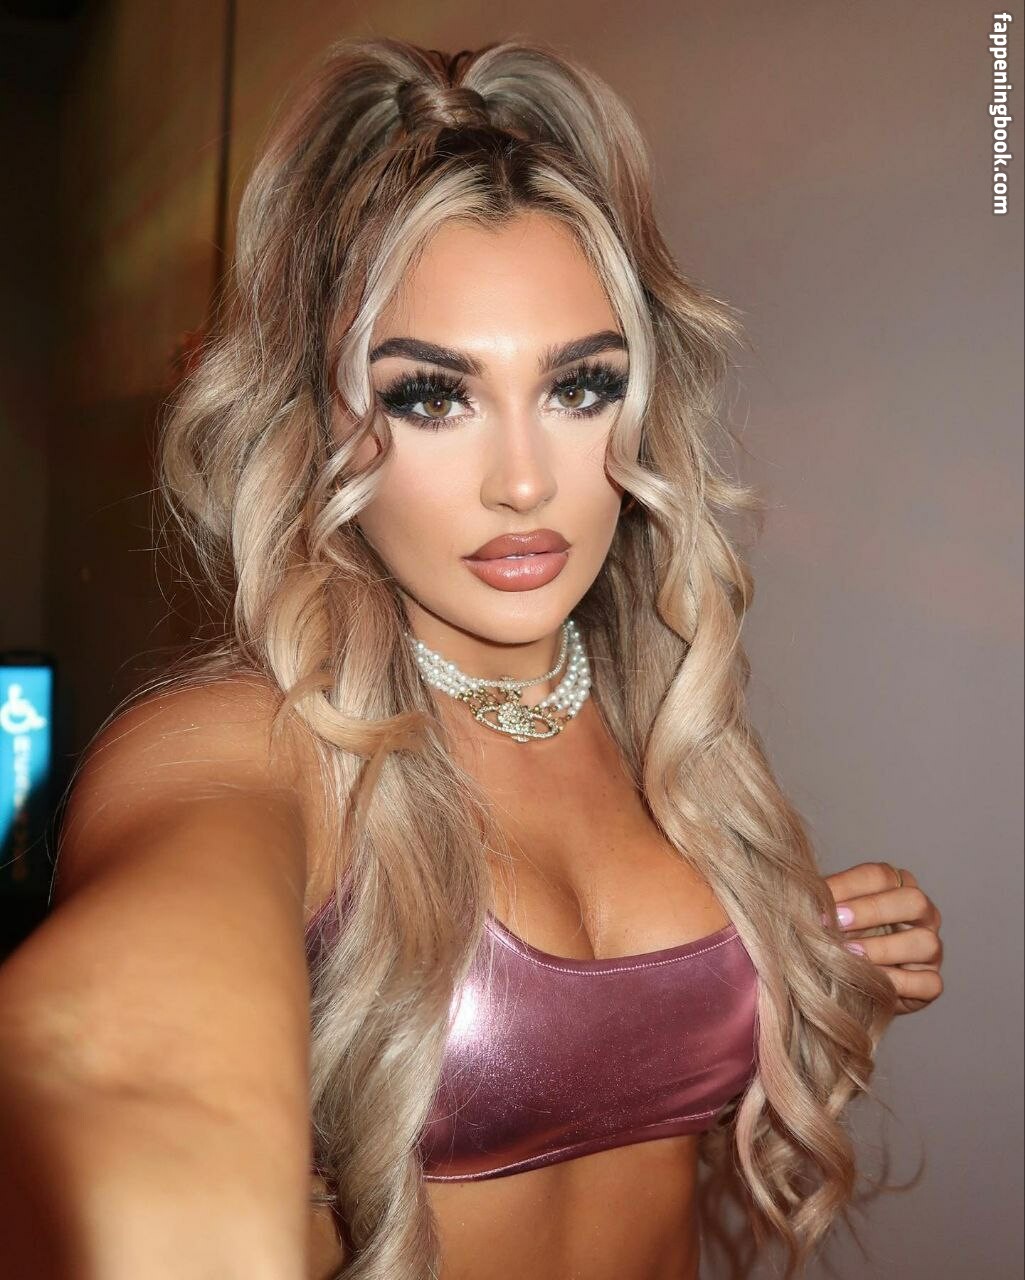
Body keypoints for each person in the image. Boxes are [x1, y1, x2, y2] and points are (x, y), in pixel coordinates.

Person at [0, 36, 944, 1280]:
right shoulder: (247, 740)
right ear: (314, 417)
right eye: (430, 396)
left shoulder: (657, 710)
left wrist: (814, 965)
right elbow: (124, 1048)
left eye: (579, 386)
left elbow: (616, 1074)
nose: (524, 481)